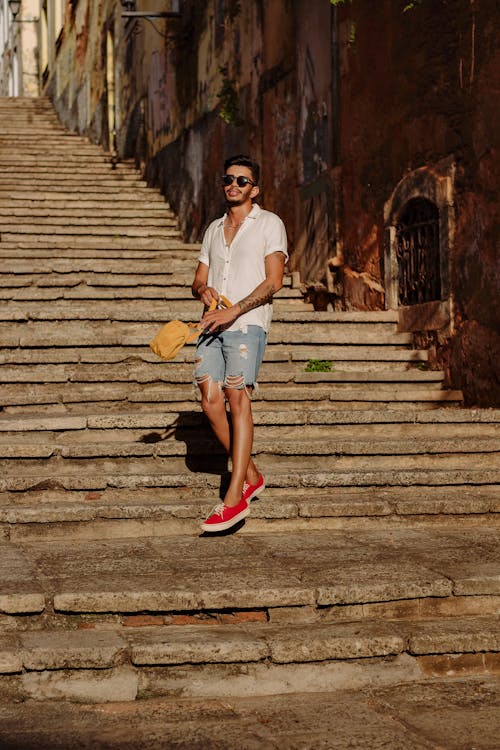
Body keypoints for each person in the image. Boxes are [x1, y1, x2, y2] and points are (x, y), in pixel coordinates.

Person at [191, 154, 288, 533]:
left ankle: (234, 497)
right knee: (209, 399)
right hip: (211, 323)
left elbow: (274, 282)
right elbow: (197, 279)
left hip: (246, 324)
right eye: (229, 178)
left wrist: (234, 312)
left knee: (236, 396)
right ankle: (251, 473)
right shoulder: (214, 229)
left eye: (242, 181)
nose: (234, 185)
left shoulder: (270, 224)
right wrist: (204, 289)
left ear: (255, 189)